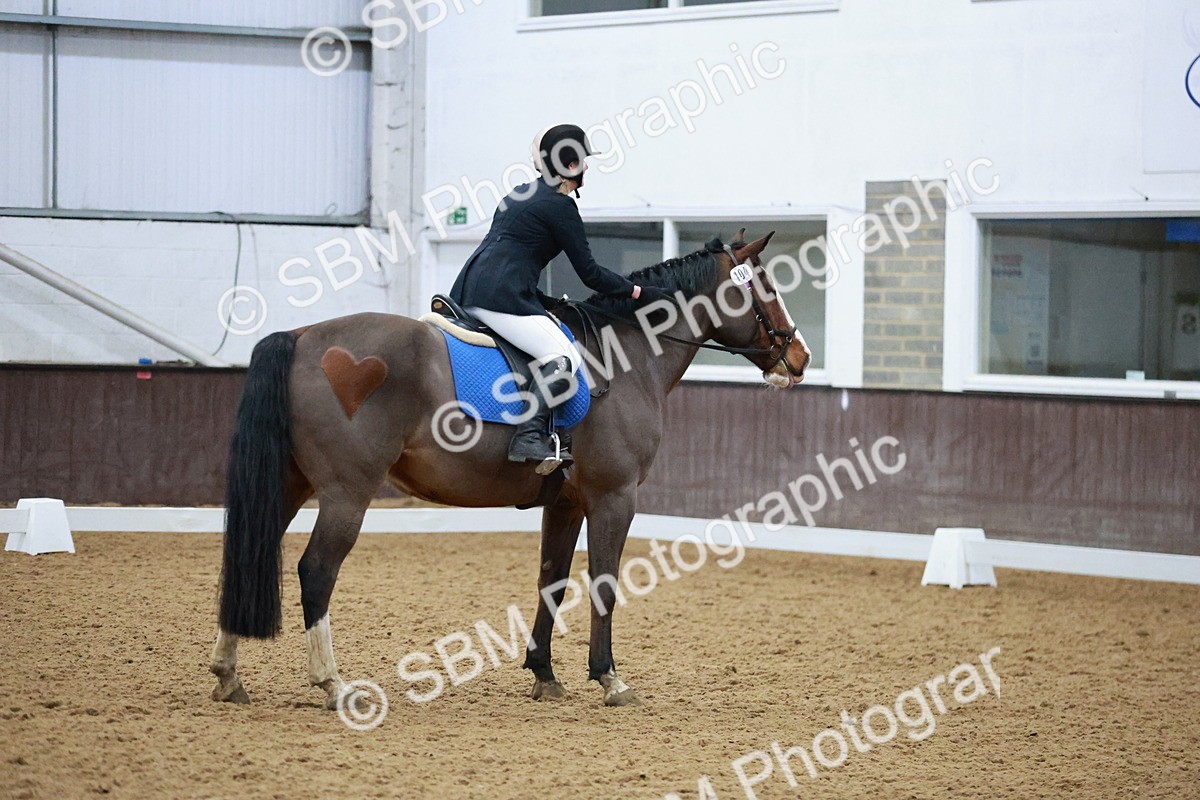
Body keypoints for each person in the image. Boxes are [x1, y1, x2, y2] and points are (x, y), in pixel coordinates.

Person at [449, 123, 670, 474]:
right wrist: (638, 291)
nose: (588, 168)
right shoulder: (560, 207)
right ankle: (530, 436)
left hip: (469, 290)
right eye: (584, 161)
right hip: (501, 299)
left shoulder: (518, 194)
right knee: (561, 357)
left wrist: (541, 298)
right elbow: (590, 274)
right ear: (570, 166)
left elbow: (509, 257)